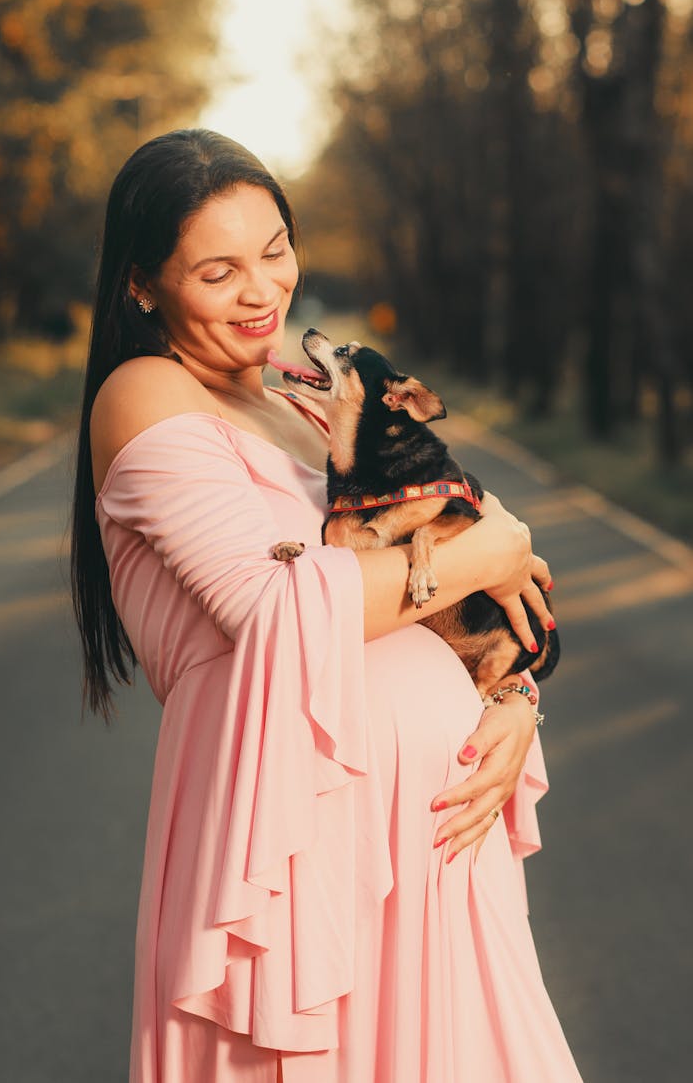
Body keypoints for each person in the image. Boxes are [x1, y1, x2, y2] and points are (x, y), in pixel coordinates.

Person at [71, 128, 583, 1082]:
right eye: (219, 272)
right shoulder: (146, 396)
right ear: (143, 285)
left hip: (434, 841)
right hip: (294, 851)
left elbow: (447, 606)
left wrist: (513, 706)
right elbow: (275, 612)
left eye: (274, 251)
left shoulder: (311, 411)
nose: (264, 291)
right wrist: (491, 547)